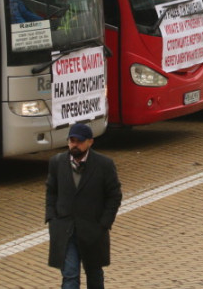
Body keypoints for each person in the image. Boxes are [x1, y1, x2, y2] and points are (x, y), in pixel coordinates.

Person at [46, 123, 122, 289]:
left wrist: (104, 223)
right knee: (70, 275)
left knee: (94, 273)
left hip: (92, 231)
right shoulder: (57, 163)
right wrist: (52, 218)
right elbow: (51, 192)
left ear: (90, 142)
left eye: (79, 141)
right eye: (72, 141)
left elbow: (114, 196)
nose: (74, 144)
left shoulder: (104, 165)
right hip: (65, 230)